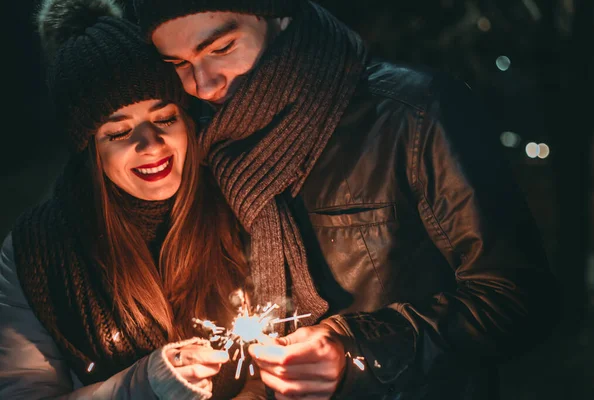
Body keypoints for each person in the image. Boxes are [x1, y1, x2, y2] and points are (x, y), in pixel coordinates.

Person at [130, 0, 561, 399]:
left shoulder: (413, 115)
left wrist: (355, 348)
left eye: (222, 47)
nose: (203, 85)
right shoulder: (201, 147)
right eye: (179, 64)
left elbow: (519, 298)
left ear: (278, 15)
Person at [0, 0, 263, 398]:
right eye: (119, 132)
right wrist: (146, 384)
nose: (151, 143)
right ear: (90, 150)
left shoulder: (240, 200)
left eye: (164, 119)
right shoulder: (37, 251)